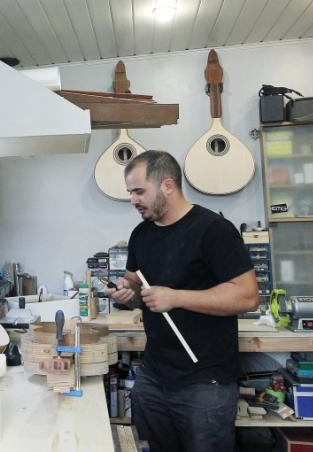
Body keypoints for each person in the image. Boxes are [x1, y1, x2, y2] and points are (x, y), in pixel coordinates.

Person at [105, 150, 258, 452]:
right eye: (130, 193)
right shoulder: (141, 234)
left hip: (204, 380)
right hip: (153, 375)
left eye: (139, 191)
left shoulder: (213, 230)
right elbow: (137, 286)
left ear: (168, 186)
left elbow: (248, 295)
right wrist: (126, 292)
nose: (133, 200)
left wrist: (175, 298)